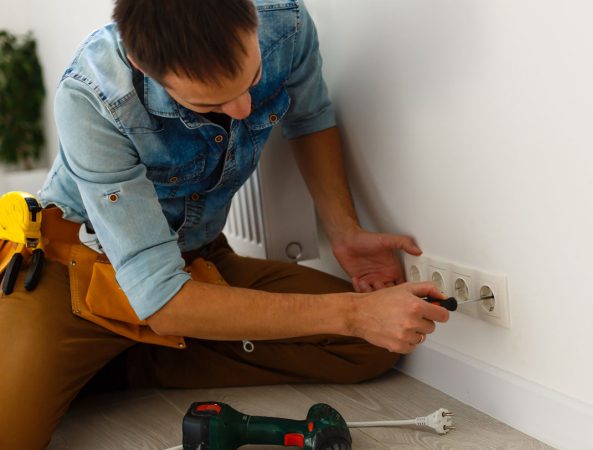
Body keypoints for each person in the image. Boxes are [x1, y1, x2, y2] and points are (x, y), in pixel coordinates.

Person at [0, 0, 449, 447]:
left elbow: (310, 117)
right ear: (142, 62)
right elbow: (163, 298)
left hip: (195, 258)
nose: (241, 108)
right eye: (209, 101)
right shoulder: (92, 97)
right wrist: (353, 314)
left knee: (369, 346)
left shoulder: (284, 23)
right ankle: (88, 350)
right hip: (74, 273)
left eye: (252, 80)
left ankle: (119, 359)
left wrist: (344, 232)